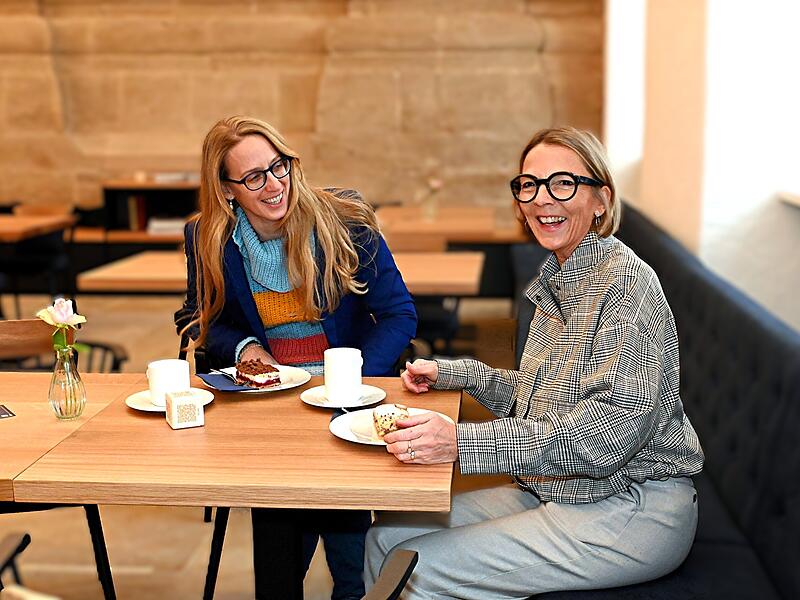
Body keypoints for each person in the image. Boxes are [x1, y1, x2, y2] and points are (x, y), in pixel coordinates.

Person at [365, 126, 705, 598]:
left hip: (632, 507)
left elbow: (605, 435)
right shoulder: (559, 276)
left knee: (417, 571)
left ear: (601, 199)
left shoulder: (628, 286)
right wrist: (459, 374)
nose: (543, 199)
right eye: (529, 185)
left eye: (563, 183)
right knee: (385, 539)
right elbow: (540, 394)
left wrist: (459, 442)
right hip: (557, 491)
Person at [179, 115, 417, 599]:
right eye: (253, 177)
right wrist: (246, 348)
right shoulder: (208, 237)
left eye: (279, 166)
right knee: (280, 557)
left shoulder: (344, 222)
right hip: (271, 411)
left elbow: (398, 315)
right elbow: (198, 318)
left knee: (351, 559)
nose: (274, 185)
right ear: (226, 190)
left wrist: (349, 378)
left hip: (348, 405)